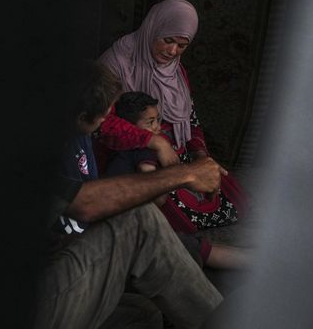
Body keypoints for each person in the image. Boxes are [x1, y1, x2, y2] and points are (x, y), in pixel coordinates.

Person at [34, 62, 226, 329]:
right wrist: (185, 174)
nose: (107, 120)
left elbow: (112, 127)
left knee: (142, 314)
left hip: (57, 264)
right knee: (137, 222)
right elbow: (84, 203)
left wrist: (154, 142)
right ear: (79, 116)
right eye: (103, 115)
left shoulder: (80, 128)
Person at [96, 0, 246, 232]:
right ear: (153, 28)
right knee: (172, 210)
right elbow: (101, 124)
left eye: (182, 45)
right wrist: (154, 142)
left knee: (232, 197)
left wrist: (199, 155)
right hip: (133, 156)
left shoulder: (175, 69)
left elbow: (190, 118)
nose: (172, 51)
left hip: (176, 154)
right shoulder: (116, 64)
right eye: (168, 40)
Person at [107, 90, 250, 270]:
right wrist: (177, 179)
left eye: (158, 120)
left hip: (123, 214)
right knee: (195, 247)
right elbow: (156, 193)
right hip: (131, 221)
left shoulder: (120, 149)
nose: (158, 128)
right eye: (150, 123)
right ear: (130, 127)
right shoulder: (144, 150)